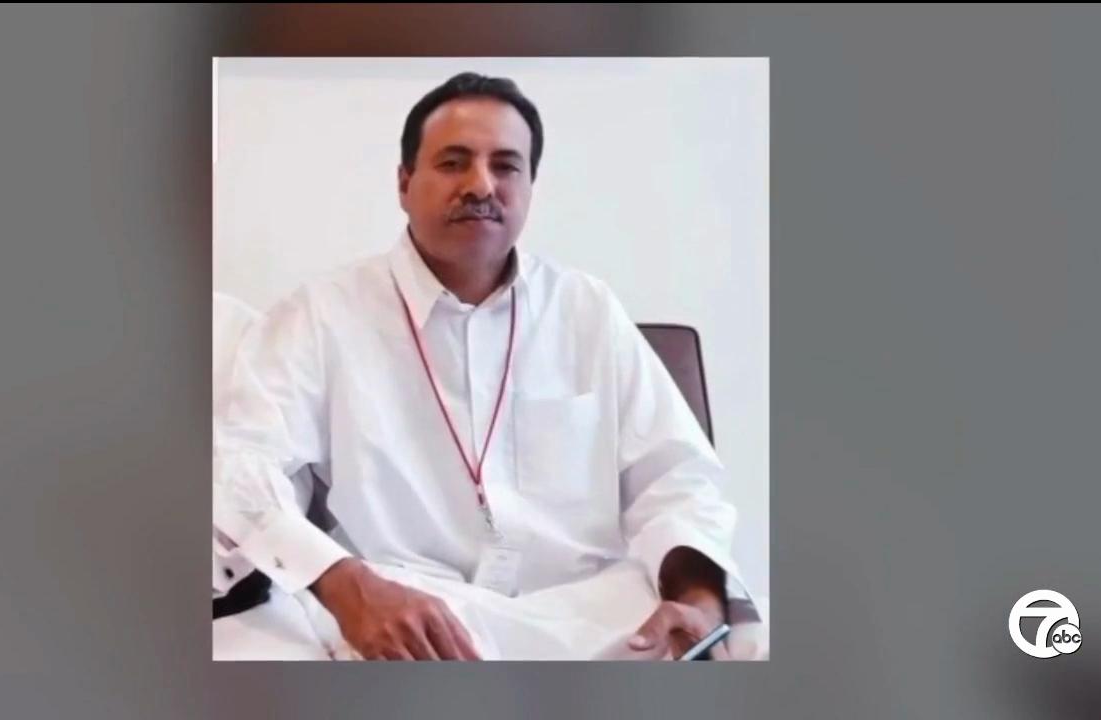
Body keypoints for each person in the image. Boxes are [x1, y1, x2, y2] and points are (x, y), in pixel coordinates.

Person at [212, 72, 765, 661]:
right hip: (410, 622)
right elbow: (243, 465)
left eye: (505, 166)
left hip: (598, 621)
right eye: (453, 163)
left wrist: (699, 600)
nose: (481, 185)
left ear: (530, 186)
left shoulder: (586, 310)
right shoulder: (321, 313)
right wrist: (350, 588)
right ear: (404, 183)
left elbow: (676, 478)